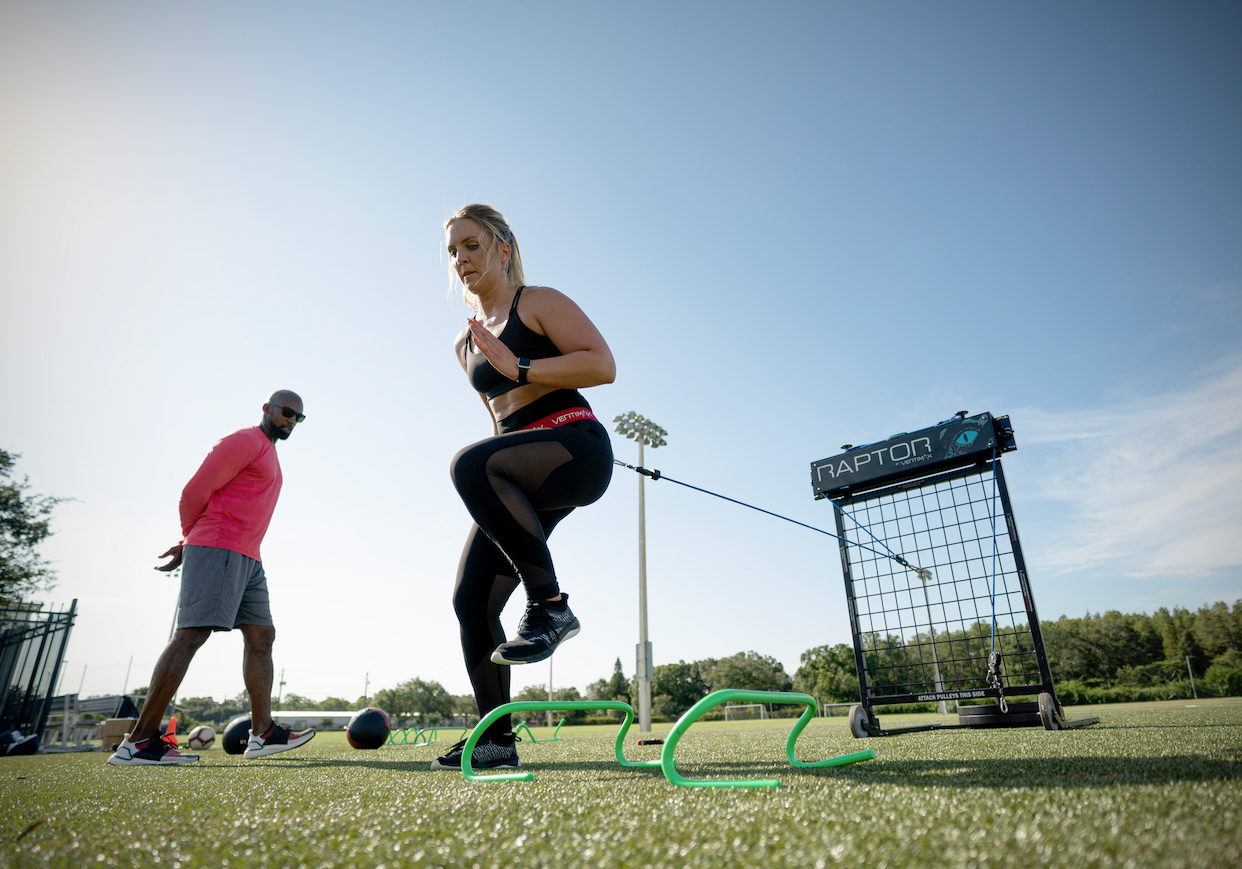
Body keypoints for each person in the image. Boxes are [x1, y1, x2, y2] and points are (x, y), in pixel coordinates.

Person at [432, 204, 616, 771]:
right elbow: (500, 422)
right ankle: (495, 740)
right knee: (471, 602)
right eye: (452, 251)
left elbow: (602, 365)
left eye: (471, 245)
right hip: (517, 467)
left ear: (503, 248)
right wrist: (496, 469)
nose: (461, 259)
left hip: (574, 447)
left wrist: (522, 367)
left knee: (467, 464)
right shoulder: (464, 344)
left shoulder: (536, 302)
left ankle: (550, 606)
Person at [108, 391, 316, 766]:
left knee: (261, 635)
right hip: (219, 546)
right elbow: (193, 492)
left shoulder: (268, 450)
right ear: (267, 408)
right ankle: (139, 741)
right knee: (191, 634)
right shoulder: (244, 441)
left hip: (248, 557)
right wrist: (190, 540)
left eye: (298, 418)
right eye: (287, 412)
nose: (291, 421)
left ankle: (263, 733)